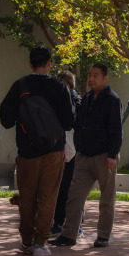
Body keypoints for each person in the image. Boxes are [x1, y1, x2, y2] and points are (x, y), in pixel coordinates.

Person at [0, 46, 75, 256]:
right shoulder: (60, 88)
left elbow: (5, 119)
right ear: (50, 62)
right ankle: (40, 242)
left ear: (30, 64)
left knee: (27, 196)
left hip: (27, 151)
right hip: (54, 151)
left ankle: (25, 239)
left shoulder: (20, 85)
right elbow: (69, 122)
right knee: (49, 197)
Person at [51, 63, 123, 248]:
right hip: (83, 156)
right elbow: (78, 123)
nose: (91, 79)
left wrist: (112, 155)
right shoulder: (88, 97)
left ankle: (103, 236)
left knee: (106, 199)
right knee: (74, 196)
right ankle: (68, 235)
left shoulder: (113, 100)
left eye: (95, 75)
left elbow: (116, 130)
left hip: (105, 156)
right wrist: (79, 148)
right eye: (89, 75)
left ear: (105, 78)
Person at [51, 70, 83, 235]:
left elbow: (72, 123)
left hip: (74, 152)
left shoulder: (77, 101)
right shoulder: (57, 102)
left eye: (60, 85)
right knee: (60, 189)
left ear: (68, 85)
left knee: (73, 191)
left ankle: (75, 224)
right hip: (60, 151)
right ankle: (57, 222)